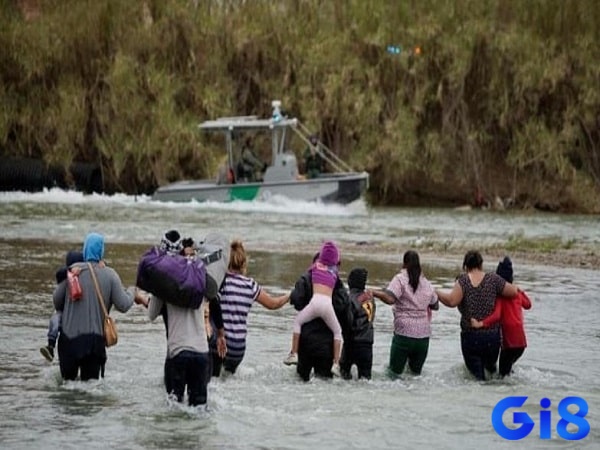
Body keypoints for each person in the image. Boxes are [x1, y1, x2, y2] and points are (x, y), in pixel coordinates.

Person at [144, 231, 225, 407]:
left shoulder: (163, 281)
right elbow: (213, 297)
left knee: (175, 410)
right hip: (201, 354)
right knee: (199, 410)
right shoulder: (199, 275)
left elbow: (151, 314)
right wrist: (220, 333)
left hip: (178, 353)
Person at [52, 232, 145, 381]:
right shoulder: (110, 274)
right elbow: (123, 305)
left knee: (67, 387)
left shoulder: (71, 272)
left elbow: (57, 301)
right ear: (101, 251)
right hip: (94, 343)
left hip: (68, 342)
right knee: (90, 391)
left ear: (85, 249)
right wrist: (132, 291)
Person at [436, 250, 518, 381]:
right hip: (492, 338)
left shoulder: (463, 281)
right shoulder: (493, 279)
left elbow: (452, 301)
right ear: (481, 264)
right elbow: (513, 291)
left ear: (465, 266)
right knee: (491, 373)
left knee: (477, 379)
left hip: (471, 336)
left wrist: (436, 293)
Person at [214, 239, 289, 376]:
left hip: (222, 346)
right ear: (243, 262)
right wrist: (290, 294)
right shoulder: (250, 285)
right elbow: (273, 304)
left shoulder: (221, 282)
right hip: (239, 349)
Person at [288, 250, 352, 381]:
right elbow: (344, 308)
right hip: (326, 345)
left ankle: (292, 353)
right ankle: (336, 363)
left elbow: (296, 300)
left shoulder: (306, 278)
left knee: (300, 381)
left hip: (305, 342)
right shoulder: (337, 283)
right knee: (323, 385)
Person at [374, 251, 439, 377]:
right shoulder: (426, 282)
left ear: (404, 263)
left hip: (404, 334)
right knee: (415, 376)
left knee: (394, 374)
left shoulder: (400, 279)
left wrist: (374, 292)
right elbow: (435, 305)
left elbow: (390, 298)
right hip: (423, 336)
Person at [471, 257, 532, 377]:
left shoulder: (500, 296)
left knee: (502, 375)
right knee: (507, 369)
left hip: (509, 343)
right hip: (521, 343)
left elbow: (496, 315)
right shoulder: (517, 293)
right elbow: (528, 304)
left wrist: (481, 323)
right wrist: (520, 290)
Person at [40, 250, 84, 362]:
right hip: (64, 312)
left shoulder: (86, 274)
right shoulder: (64, 275)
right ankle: (50, 345)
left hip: (79, 314)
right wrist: (70, 270)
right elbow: (59, 273)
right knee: (55, 319)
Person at [339, 267, 377, 380]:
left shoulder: (349, 299)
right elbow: (371, 319)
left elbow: (348, 322)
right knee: (365, 378)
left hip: (352, 343)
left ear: (350, 282)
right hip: (367, 344)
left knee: (343, 375)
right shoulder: (370, 299)